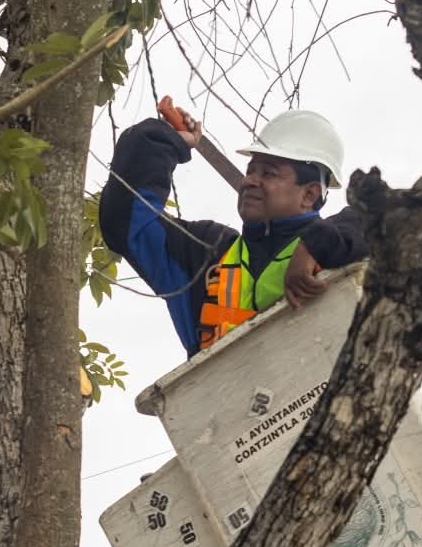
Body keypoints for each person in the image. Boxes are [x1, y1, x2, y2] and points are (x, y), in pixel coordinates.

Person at [100, 107, 369, 359]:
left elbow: (381, 217)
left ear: (309, 194)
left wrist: (316, 243)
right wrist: (164, 141)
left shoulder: (341, 244)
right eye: (251, 171)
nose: (250, 180)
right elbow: (125, 218)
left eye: (269, 174)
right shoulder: (205, 254)